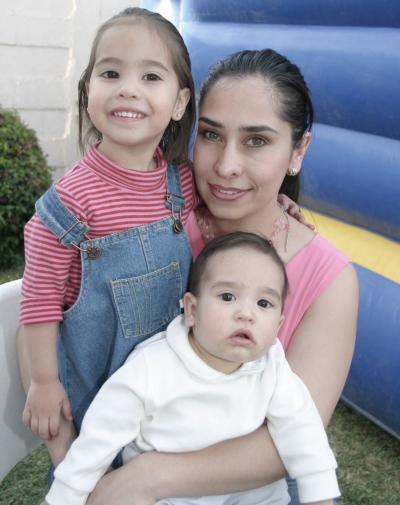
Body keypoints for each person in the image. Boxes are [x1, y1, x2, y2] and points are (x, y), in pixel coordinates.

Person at [85, 49, 358, 505]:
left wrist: (146, 478)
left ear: (298, 151)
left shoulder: (327, 279)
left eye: (256, 141)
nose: (226, 165)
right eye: (211, 134)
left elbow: (293, 434)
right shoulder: (152, 220)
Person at [17, 7, 197, 467]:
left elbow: (228, 220)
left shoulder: (183, 185)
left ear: (179, 102)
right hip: (102, 408)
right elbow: (37, 307)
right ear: (88, 90)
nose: (128, 88)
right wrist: (43, 382)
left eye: (151, 76)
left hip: (174, 400)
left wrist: (281, 206)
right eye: (111, 72)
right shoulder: (68, 206)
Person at [45, 232, 339, 505]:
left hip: (253, 497)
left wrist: (320, 495)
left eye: (264, 303)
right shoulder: (153, 367)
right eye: (227, 297)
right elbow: (100, 436)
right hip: (174, 498)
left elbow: (303, 429)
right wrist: (64, 496)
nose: (246, 314)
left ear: (277, 326)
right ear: (192, 310)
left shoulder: (271, 365)